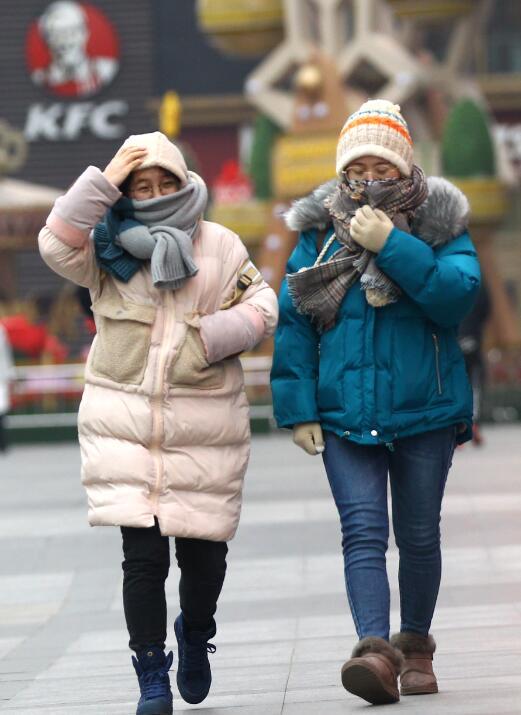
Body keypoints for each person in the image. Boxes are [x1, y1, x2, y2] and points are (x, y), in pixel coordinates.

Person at [38, 131, 278, 715]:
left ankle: (195, 634)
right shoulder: (106, 245)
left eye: (161, 182)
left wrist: (213, 337)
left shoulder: (219, 245)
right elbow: (54, 241)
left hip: (203, 425)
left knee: (204, 560)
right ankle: (151, 670)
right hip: (127, 427)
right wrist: (107, 174)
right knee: (141, 560)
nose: (151, 193)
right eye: (138, 186)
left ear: (183, 183)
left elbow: (264, 304)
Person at [271, 100, 480, 706]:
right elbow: (294, 321)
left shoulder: (440, 225)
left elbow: (454, 297)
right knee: (362, 531)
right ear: (342, 170)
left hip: (426, 412)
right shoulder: (317, 232)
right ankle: (374, 653)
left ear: (405, 167)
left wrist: (392, 244)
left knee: (417, 536)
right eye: (358, 165)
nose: (370, 178)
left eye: (383, 166)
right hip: (345, 415)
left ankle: (415, 648)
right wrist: (299, 408)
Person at [458, 280, 491, 445]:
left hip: (453, 336)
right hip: (472, 336)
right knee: (474, 381)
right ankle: (473, 422)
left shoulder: (444, 271)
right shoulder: (477, 280)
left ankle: (457, 424)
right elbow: (486, 310)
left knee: (453, 381)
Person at [0, 324, 14, 453]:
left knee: (1, 413)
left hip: (1, 378)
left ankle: (3, 444)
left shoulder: (1, 330)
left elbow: (6, 355)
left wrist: (9, 375)